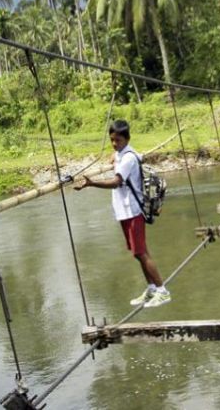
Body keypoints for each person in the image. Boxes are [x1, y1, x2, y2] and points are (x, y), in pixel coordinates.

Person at [74, 119, 171, 308]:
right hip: (124, 212)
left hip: (133, 210)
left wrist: (92, 183)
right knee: (137, 253)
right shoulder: (124, 154)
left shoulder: (127, 158)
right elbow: (131, 156)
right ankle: (151, 288)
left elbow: (117, 182)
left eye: (117, 140)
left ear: (127, 139)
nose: (114, 144)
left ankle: (162, 291)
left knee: (141, 252)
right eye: (111, 140)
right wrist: (114, 155)